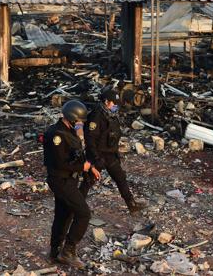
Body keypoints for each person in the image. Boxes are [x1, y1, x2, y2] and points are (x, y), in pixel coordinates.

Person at [43, 100, 96, 269]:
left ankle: (55, 252)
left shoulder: (69, 131)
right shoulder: (56, 134)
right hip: (61, 180)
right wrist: (83, 167)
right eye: (79, 121)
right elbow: (60, 163)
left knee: (63, 214)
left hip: (69, 179)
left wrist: (89, 168)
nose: (80, 124)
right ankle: (68, 251)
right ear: (71, 118)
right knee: (83, 214)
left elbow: (76, 154)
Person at [83, 89, 146, 213]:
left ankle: (131, 204)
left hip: (110, 154)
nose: (116, 106)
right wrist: (96, 158)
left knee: (120, 178)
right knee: (88, 182)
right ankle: (76, 207)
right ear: (106, 102)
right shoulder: (96, 116)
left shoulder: (111, 114)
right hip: (98, 155)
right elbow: (90, 139)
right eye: (114, 103)